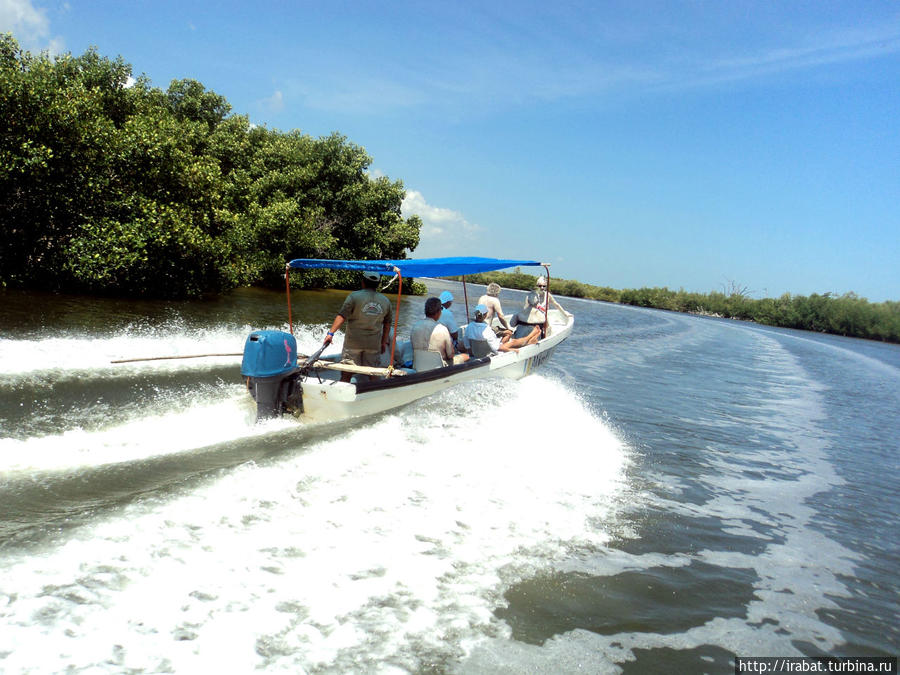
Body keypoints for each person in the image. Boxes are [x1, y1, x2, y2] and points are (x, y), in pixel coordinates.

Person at [323, 271, 392, 381]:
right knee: (373, 372)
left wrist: (330, 334)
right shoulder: (386, 301)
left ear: (363, 282)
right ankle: (374, 392)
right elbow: (387, 324)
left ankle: (342, 391)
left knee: (347, 372)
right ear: (378, 284)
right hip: (373, 344)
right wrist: (383, 342)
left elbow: (342, 316)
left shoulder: (354, 297)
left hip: (353, 343)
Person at [410, 297, 469, 366]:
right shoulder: (442, 329)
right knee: (466, 356)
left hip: (419, 364)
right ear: (438, 312)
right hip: (439, 366)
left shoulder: (415, 326)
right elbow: (450, 355)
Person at [462, 304, 539, 355]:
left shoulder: (469, 327)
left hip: (477, 354)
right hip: (493, 353)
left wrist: (473, 355)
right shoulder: (487, 330)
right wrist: (512, 350)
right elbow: (497, 348)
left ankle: (530, 339)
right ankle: (531, 337)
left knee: (507, 339)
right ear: (485, 315)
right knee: (513, 342)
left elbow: (467, 345)